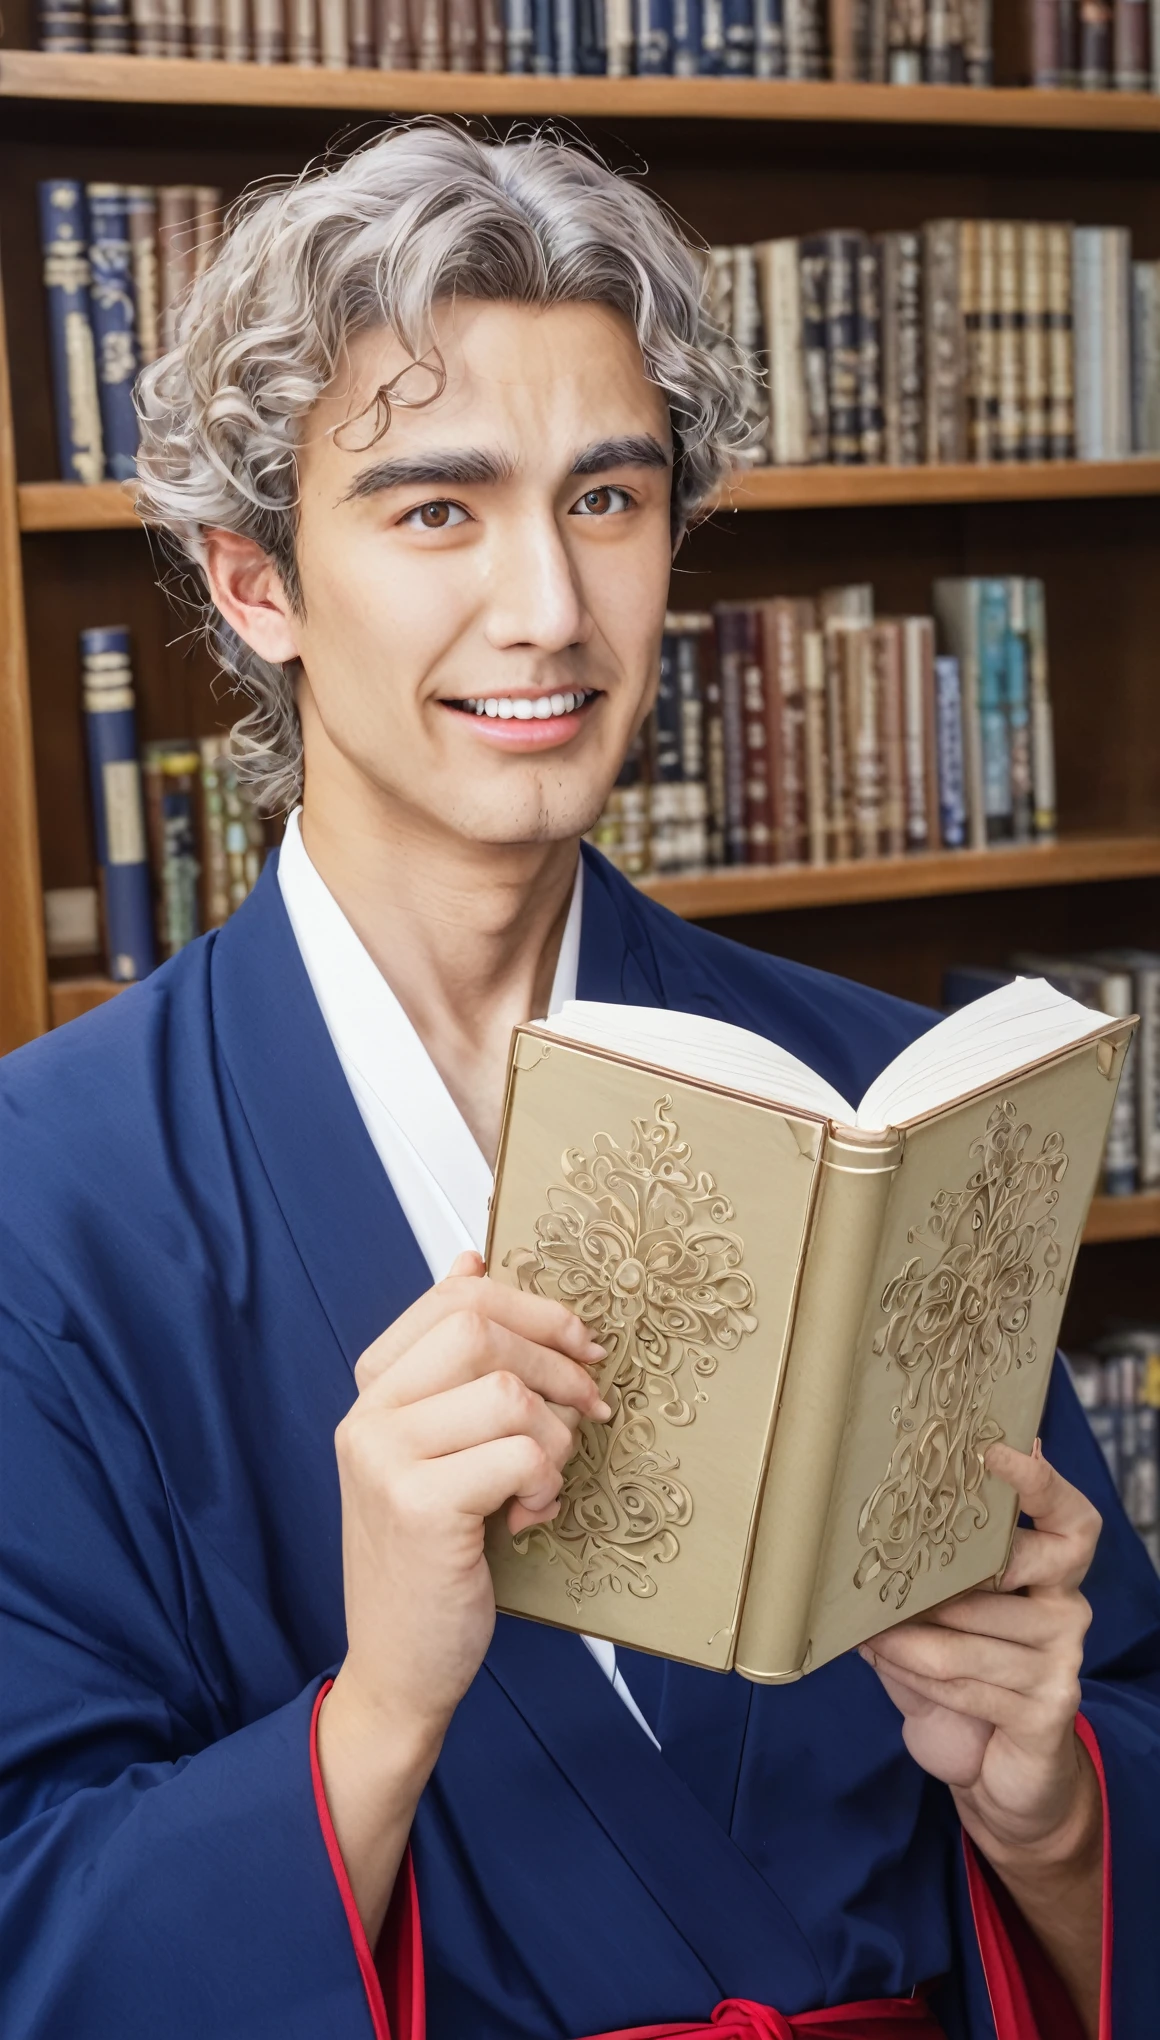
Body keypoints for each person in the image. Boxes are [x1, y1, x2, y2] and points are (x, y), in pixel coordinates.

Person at [1, 124, 1157, 2040]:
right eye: (436, 510)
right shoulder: (48, 1201)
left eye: (606, 497)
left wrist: (1051, 1808)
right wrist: (381, 1710)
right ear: (256, 578)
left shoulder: (888, 1102)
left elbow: (1109, 1701)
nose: (547, 603)